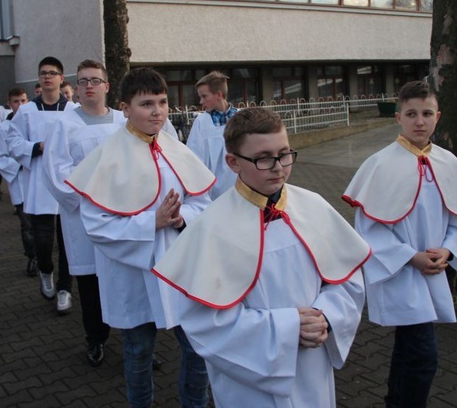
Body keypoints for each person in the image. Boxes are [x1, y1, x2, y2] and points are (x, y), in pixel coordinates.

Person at [153, 107, 371, 407]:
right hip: (249, 382)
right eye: (263, 158)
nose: (279, 167)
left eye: (285, 154)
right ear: (232, 162)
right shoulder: (211, 227)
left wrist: (327, 315)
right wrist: (288, 328)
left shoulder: (314, 206)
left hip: (311, 365)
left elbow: (348, 278)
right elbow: (205, 324)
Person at [66, 67, 215, 407]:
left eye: (162, 102)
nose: (158, 111)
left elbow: (202, 201)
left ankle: (194, 404)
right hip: (133, 271)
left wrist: (180, 218)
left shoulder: (173, 147)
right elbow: (96, 224)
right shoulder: (107, 156)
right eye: (147, 103)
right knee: (137, 351)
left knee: (196, 344)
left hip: (178, 264)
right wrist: (152, 222)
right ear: (124, 108)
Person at [342, 80, 457, 408]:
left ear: (438, 116)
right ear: (398, 118)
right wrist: (411, 257)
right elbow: (369, 228)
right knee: (423, 357)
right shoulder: (380, 164)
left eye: (426, 113)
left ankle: (396, 400)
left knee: (409, 350)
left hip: (434, 269)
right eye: (411, 114)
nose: (420, 121)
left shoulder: (448, 162)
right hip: (401, 273)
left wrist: (448, 250)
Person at [41, 60, 126, 365]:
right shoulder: (65, 124)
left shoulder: (122, 122)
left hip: (122, 215)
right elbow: (54, 172)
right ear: (76, 89)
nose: (89, 86)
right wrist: (91, 192)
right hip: (84, 217)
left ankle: (135, 343)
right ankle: (96, 338)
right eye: (84, 81)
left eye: (95, 80)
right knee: (90, 284)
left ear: (106, 86)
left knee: (125, 279)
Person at [7, 56, 77, 315]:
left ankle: (65, 288)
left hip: (66, 184)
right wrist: (36, 147)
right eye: (43, 73)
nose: (47, 77)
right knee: (44, 241)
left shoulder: (72, 111)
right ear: (39, 79)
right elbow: (12, 142)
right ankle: (46, 271)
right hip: (39, 183)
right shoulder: (26, 111)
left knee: (69, 241)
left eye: (52, 73)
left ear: (61, 78)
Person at [0, 88, 36, 277]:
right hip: (19, 181)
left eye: (24, 101)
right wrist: (21, 161)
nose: (20, 105)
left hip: (37, 181)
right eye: (16, 101)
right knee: (27, 225)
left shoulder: (35, 123)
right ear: (9, 104)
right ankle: (32, 257)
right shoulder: (4, 128)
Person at [186, 71, 238, 199]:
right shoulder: (202, 122)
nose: (201, 101)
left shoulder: (241, 118)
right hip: (213, 194)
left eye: (204, 96)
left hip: (241, 188)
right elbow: (193, 159)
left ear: (219, 95)